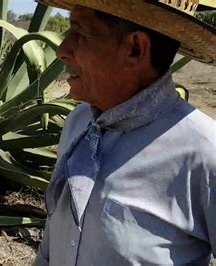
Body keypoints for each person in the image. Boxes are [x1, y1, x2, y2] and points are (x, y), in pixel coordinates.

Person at [35, 0, 215, 265]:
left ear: (134, 49)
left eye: (81, 33)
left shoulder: (204, 152)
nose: (62, 50)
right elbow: (54, 238)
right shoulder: (78, 122)